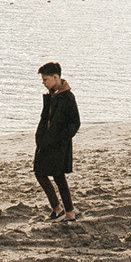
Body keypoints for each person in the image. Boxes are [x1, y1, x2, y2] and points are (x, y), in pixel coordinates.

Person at [33, 61, 81, 221]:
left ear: (55, 77)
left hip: (59, 144)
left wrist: (61, 138)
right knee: (40, 172)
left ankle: (68, 212)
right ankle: (58, 209)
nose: (43, 83)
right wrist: (40, 137)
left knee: (59, 176)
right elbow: (44, 118)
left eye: (45, 79)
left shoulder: (68, 97)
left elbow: (75, 123)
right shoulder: (51, 95)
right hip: (46, 142)